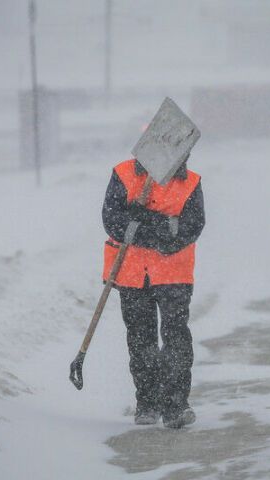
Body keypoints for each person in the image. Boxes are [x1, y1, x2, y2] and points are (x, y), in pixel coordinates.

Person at [101, 156, 205, 429]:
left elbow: (191, 227)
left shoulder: (191, 182)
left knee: (176, 337)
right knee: (140, 338)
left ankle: (176, 405)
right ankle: (147, 402)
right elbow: (113, 220)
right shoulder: (123, 174)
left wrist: (145, 225)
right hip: (132, 274)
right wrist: (160, 228)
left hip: (174, 274)